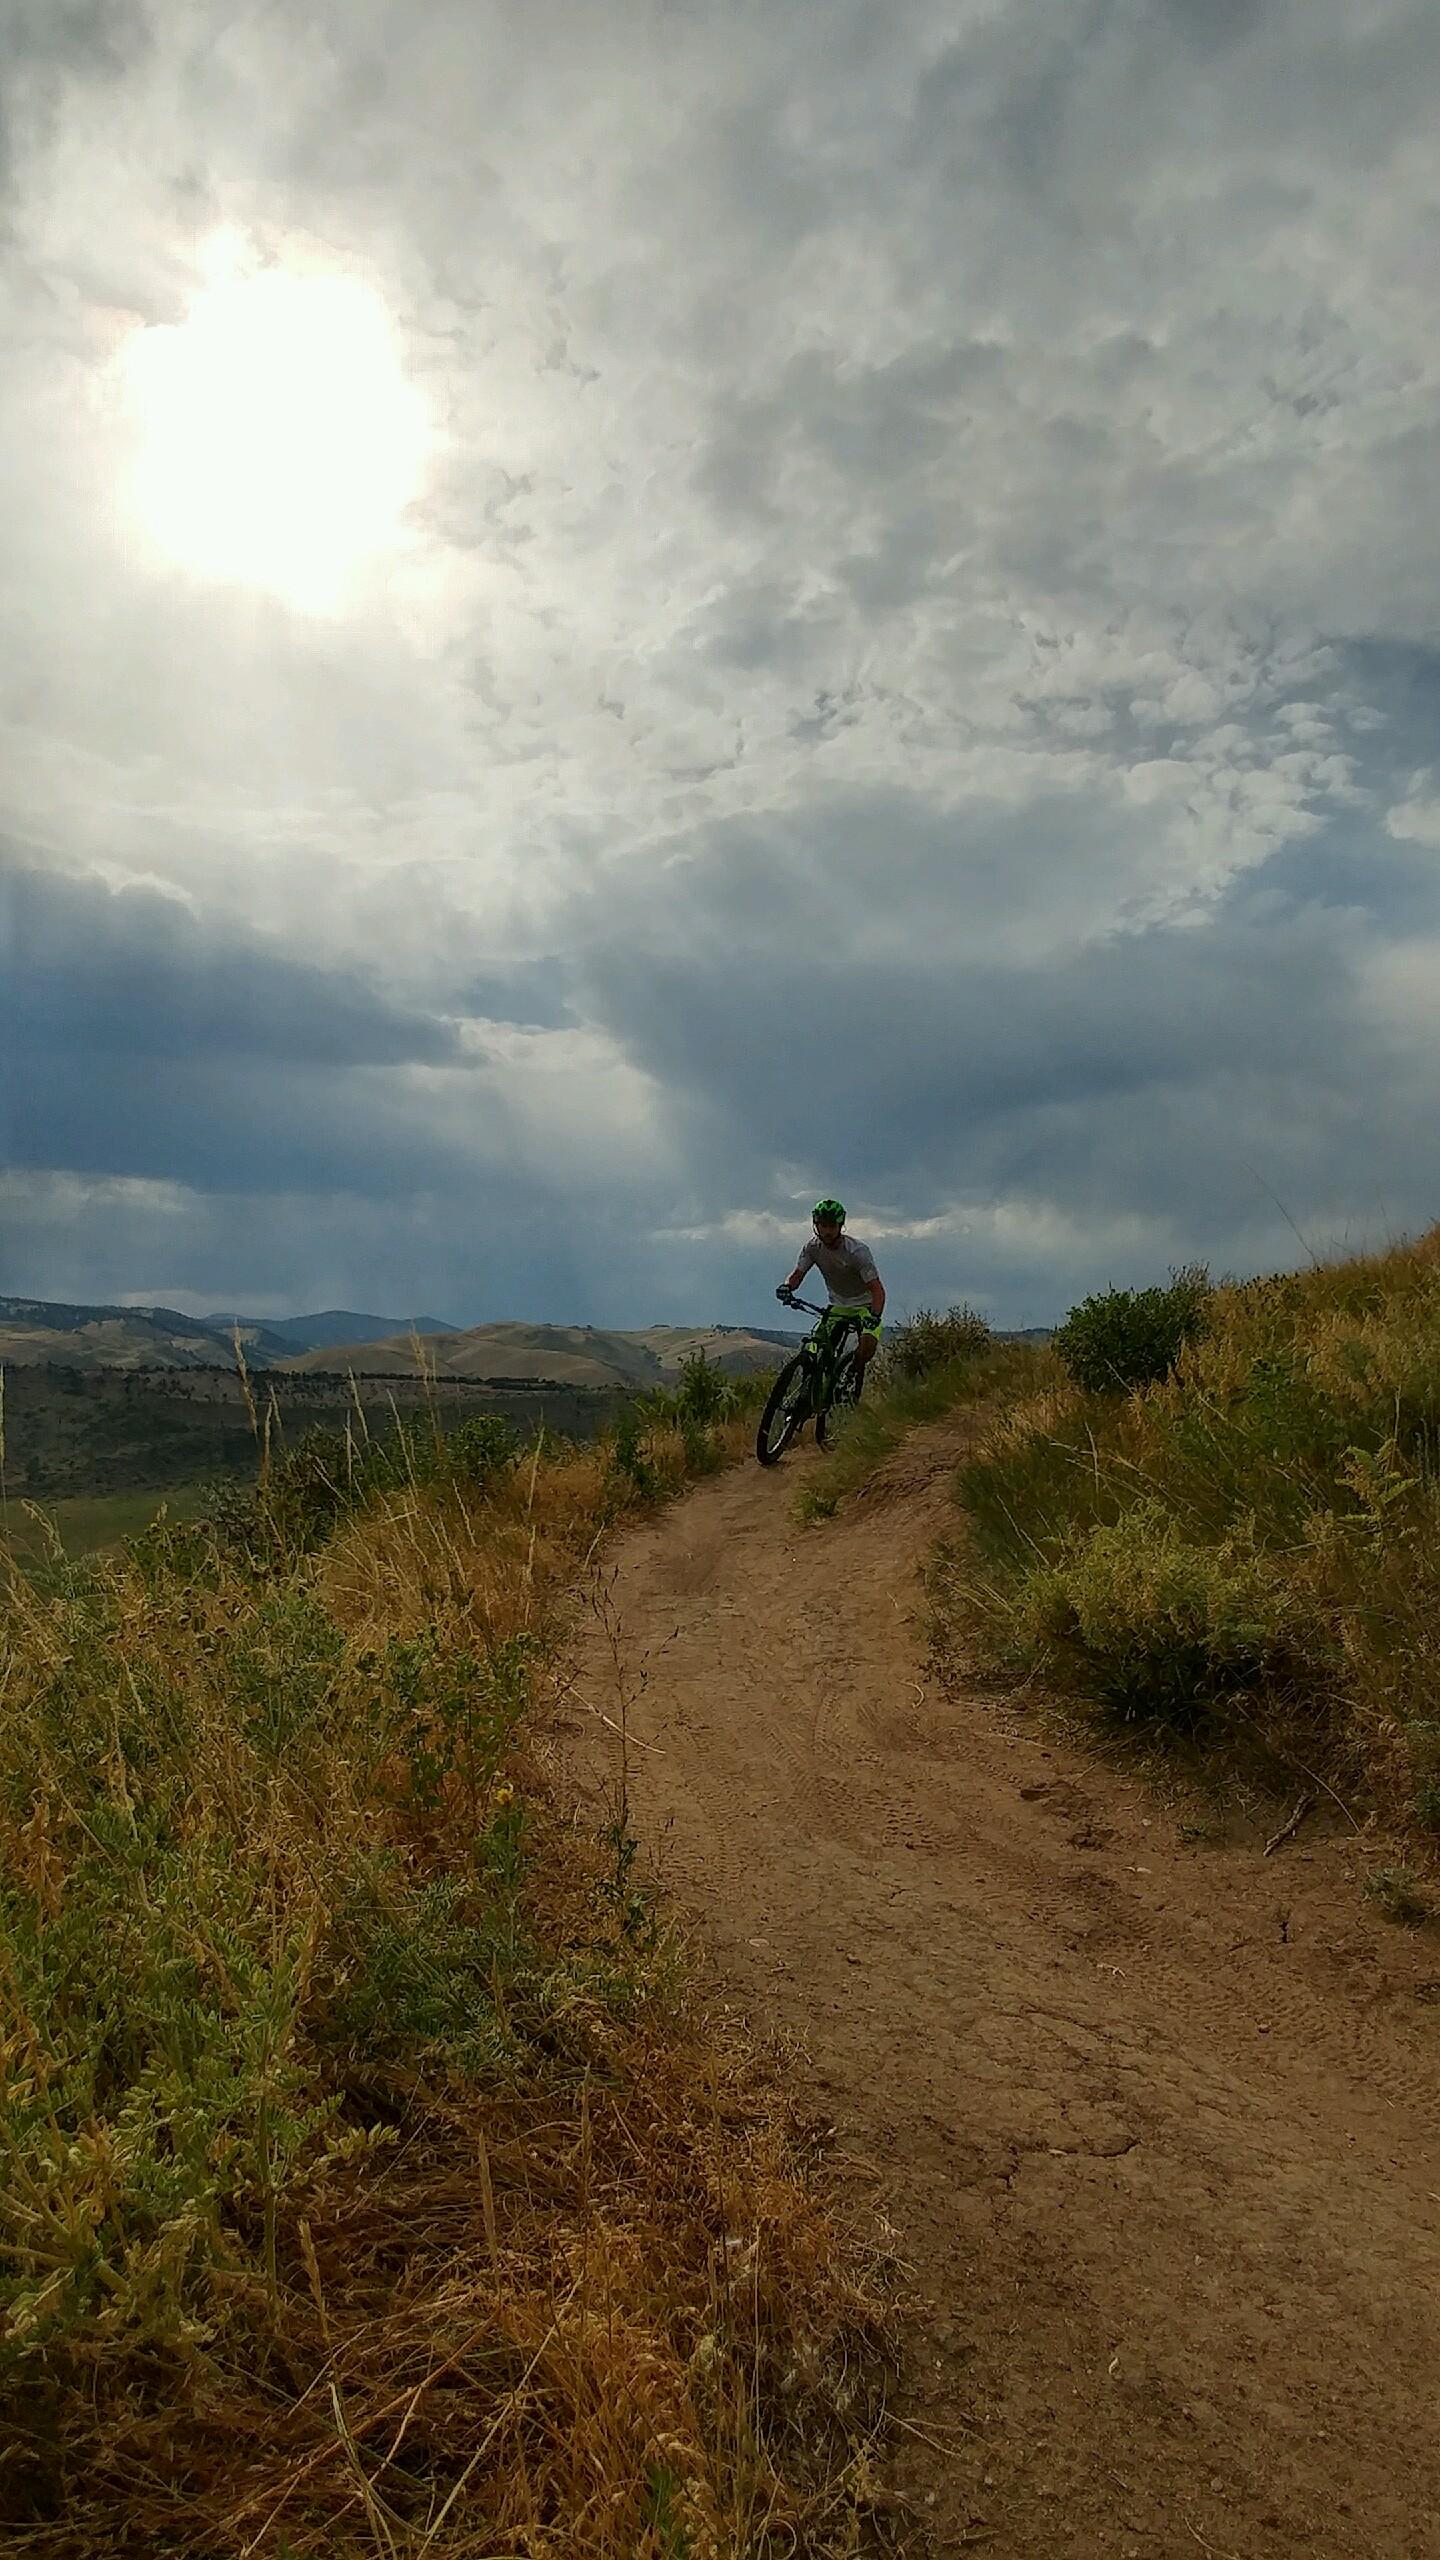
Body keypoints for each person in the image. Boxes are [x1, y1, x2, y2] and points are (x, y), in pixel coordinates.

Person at [777, 1197, 886, 1394]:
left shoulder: (857, 1252)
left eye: (831, 1226)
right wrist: (787, 1288)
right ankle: (810, 1387)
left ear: (840, 1226)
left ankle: (852, 1372)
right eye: (822, 1225)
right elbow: (797, 1275)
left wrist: (874, 1317)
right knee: (814, 1345)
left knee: (867, 1347)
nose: (826, 1231)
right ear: (815, 1225)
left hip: (865, 1306)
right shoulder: (812, 1248)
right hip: (838, 1304)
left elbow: (877, 1289)